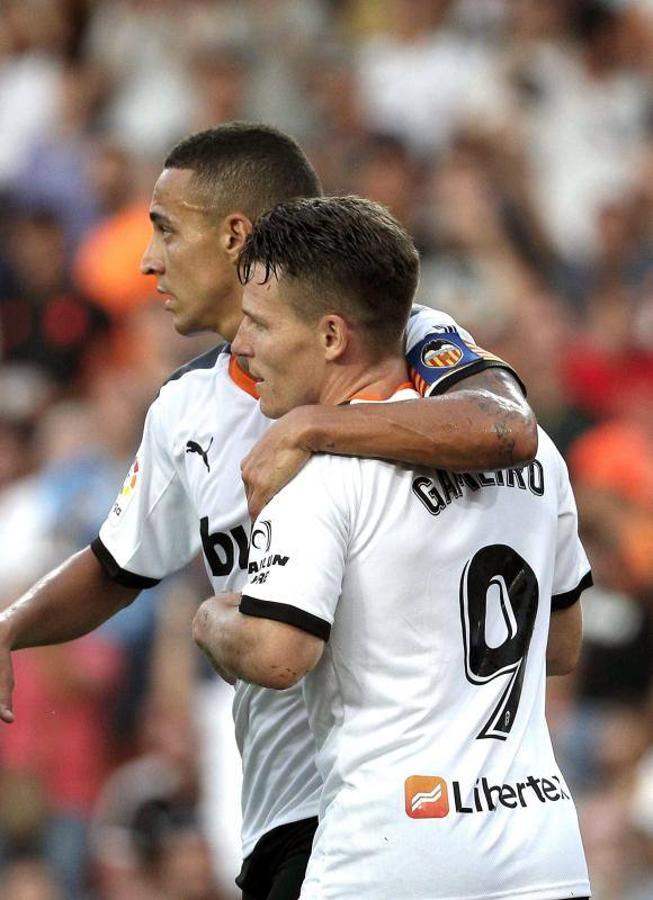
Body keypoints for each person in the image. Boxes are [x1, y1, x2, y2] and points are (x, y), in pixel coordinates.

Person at [0, 123, 537, 900]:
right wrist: (14, 624)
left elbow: (504, 428)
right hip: (285, 813)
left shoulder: (399, 337)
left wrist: (313, 429)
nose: (148, 259)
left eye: (164, 230)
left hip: (410, 798)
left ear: (234, 235)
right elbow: (117, 565)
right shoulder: (184, 407)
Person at [194, 195, 592, 900]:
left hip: (392, 854)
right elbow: (559, 648)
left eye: (258, 324)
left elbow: (278, 656)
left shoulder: (317, 472)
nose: (242, 348)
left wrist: (212, 618)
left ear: (329, 337)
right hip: (540, 852)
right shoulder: (544, 462)